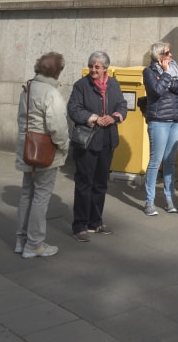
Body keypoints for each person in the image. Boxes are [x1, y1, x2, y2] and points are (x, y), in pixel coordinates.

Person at [67, 50, 128, 242]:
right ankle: (80, 225)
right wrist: (93, 118)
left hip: (107, 141)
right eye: (91, 65)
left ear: (105, 69)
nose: (93, 69)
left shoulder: (113, 84)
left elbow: (122, 105)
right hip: (87, 142)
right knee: (84, 183)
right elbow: (74, 109)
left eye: (97, 67)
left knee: (100, 183)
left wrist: (114, 117)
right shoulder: (81, 86)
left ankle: (96, 221)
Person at [15, 51, 70, 259]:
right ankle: (35, 244)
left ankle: (21, 240)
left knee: (26, 194)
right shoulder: (51, 93)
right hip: (45, 150)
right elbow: (57, 127)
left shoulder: (28, 88)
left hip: (27, 147)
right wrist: (65, 146)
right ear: (57, 71)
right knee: (41, 196)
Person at [142, 41, 178, 216]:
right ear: (159, 55)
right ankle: (149, 201)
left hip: (175, 119)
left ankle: (169, 199)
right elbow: (157, 91)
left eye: (170, 52)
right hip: (159, 120)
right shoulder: (149, 72)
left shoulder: (175, 67)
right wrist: (167, 76)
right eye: (167, 53)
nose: (171, 55)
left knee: (169, 161)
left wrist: (168, 81)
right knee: (155, 162)